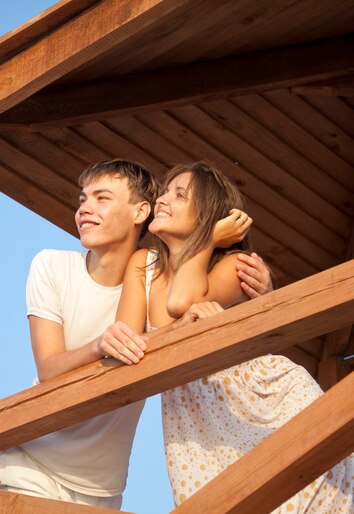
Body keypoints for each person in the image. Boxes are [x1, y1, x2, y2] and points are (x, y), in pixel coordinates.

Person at [0, 159, 272, 509]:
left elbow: (180, 313)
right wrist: (100, 345)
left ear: (140, 210)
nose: (85, 209)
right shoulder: (53, 265)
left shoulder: (159, 273)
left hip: (104, 484)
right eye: (83, 199)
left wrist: (266, 289)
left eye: (101, 198)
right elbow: (50, 368)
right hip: (34, 462)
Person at [116, 161, 353, 513]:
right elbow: (127, 343)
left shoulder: (234, 263)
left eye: (179, 194)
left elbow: (182, 302)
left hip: (264, 403)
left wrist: (209, 241)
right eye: (166, 190)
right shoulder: (143, 265)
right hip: (196, 424)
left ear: (208, 216)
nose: (163, 199)